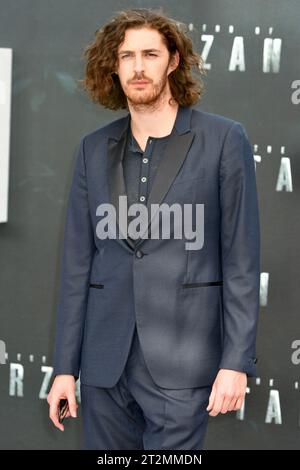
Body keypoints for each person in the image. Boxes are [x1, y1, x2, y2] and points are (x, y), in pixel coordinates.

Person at [47, 7, 260, 450]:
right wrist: (65, 368)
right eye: (126, 56)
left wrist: (235, 362)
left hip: (184, 364)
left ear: (174, 61)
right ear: (114, 66)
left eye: (150, 54)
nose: (138, 67)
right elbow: (76, 264)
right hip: (105, 365)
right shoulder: (92, 149)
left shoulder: (222, 140)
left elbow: (241, 259)